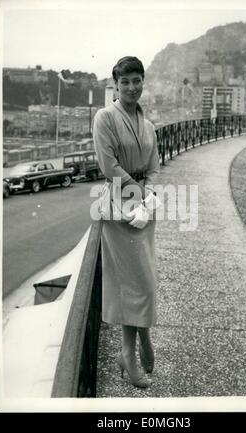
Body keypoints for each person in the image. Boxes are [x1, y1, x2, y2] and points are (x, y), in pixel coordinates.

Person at [93, 56, 161, 388]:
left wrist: (149, 200)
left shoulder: (147, 125)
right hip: (120, 212)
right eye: (125, 82)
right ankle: (129, 356)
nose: (132, 87)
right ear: (115, 85)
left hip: (143, 212)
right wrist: (138, 198)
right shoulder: (104, 118)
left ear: (143, 81)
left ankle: (142, 342)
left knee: (144, 284)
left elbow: (154, 167)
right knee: (133, 287)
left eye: (137, 80)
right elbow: (109, 166)